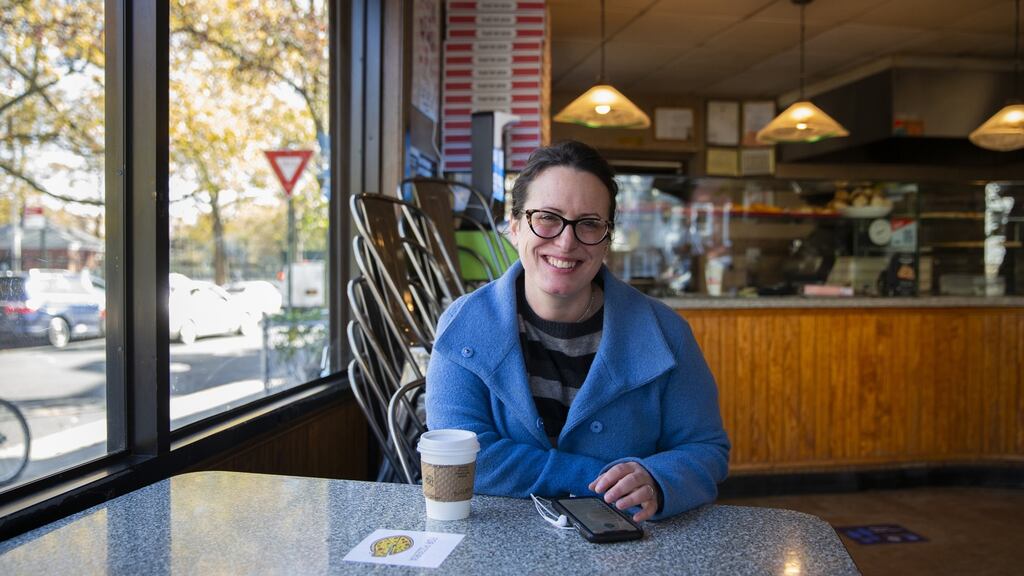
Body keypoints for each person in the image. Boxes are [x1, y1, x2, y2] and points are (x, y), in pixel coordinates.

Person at [426, 140, 729, 522]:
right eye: (547, 218)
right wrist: (596, 477)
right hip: (499, 543)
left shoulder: (667, 333)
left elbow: (705, 449)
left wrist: (657, 479)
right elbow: (466, 456)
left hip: (629, 549)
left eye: (589, 223)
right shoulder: (463, 326)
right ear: (515, 227)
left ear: (607, 239)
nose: (566, 242)